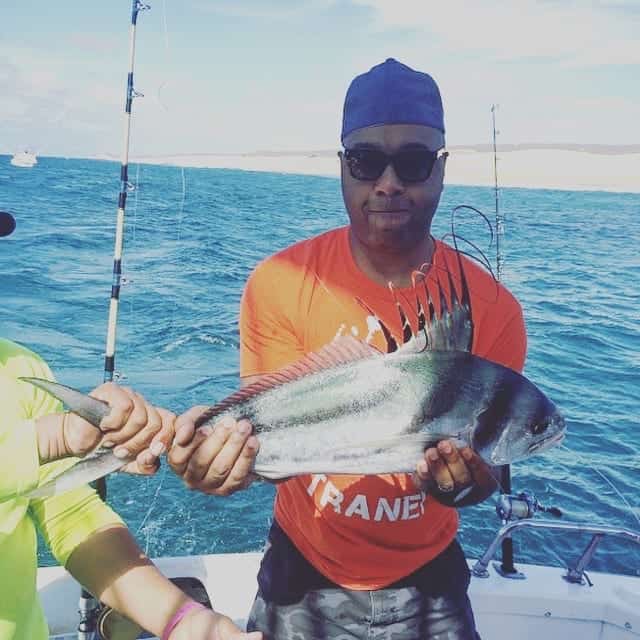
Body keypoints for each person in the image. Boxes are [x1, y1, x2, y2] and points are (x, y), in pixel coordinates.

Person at [168, 59, 526, 639]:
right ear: (342, 167)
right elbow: (269, 446)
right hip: (301, 572)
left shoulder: (494, 310)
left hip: (429, 580)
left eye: (411, 162)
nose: (388, 183)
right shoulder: (279, 282)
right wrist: (222, 464)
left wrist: (461, 484)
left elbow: (483, 472)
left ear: (440, 169)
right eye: (365, 161)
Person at [0, 212, 260, 640]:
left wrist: (183, 620)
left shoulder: (21, 368)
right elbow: (42, 448)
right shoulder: (49, 425)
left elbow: (70, 514)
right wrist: (55, 437)